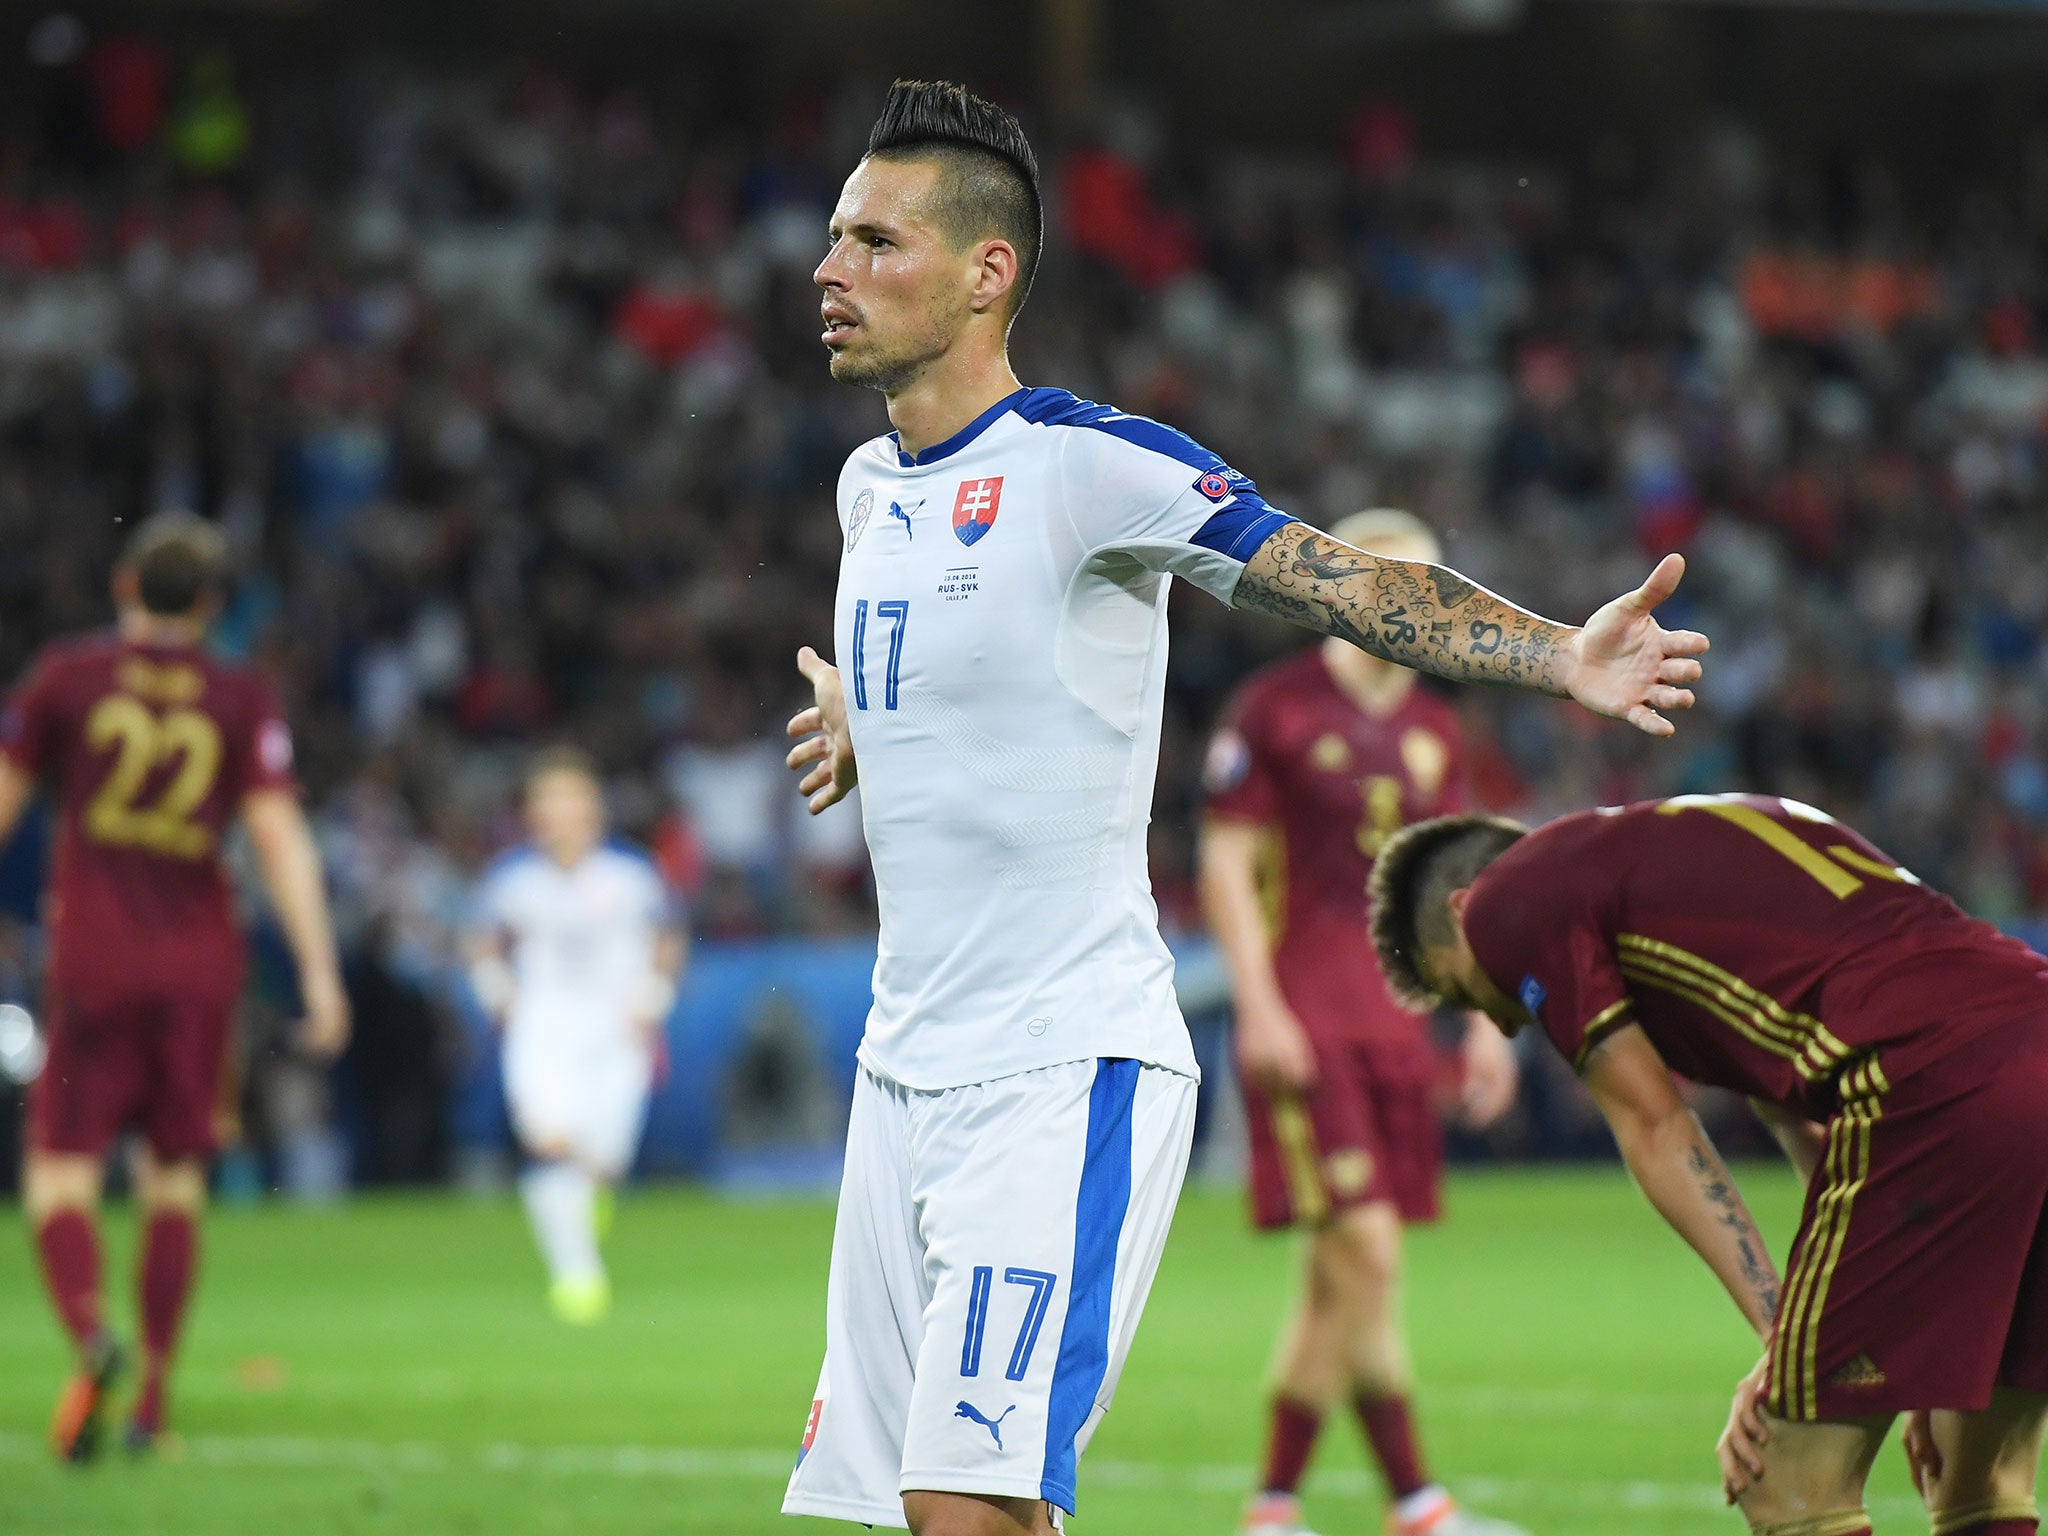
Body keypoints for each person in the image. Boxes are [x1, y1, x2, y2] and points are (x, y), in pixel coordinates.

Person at [781, 79, 1708, 1536]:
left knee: (966, 1504)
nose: (829, 271)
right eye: (835, 237)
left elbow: (1339, 578)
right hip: (900, 1077)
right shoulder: (862, 490)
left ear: (988, 271)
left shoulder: (1091, 466)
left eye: (875, 241)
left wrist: (1553, 656)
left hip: (1057, 1069)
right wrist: (863, 726)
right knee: (956, 1515)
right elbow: (979, 682)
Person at [1365, 794, 2048, 1536]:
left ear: (1467, 906)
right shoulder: (1698, 852)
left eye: (1468, 989)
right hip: (2022, 1024)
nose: (1500, 1021)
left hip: (1936, 1078)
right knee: (1980, 1476)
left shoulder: (1510, 897)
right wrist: (1894, 1338)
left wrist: (1783, 1343)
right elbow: (1807, 1124)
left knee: (1786, 1478)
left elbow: (1656, 1128)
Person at [1201, 508, 1526, 1536]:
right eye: (1394, 583)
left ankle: (1356, 1507)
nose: (1417, 604)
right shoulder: (1273, 712)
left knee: (1346, 1280)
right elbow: (1220, 864)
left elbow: (1452, 890)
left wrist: (1480, 1019)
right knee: (1367, 1258)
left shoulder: (1433, 729)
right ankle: (1336, 1505)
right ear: (1338, 588)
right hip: (1306, 1022)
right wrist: (1254, 1005)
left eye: (1431, 587)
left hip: (1396, 1030)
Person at [0, 511, 349, 1460]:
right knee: (176, 1176)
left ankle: (90, 1334)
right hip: (200, 961)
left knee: (61, 1171)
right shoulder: (239, 698)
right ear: (211, 603)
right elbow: (277, 838)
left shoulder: (69, 679)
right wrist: (320, 973)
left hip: (94, 957)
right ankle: (153, 1398)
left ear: (123, 586)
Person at [466, 746, 686, 1324]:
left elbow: (668, 936)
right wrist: (495, 989)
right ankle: (578, 1277)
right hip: (542, 1028)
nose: (561, 812)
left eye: (572, 798)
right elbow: (481, 939)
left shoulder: (630, 876)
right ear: (532, 813)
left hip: (615, 1031)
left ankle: (588, 1202)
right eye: (549, 800)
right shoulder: (513, 879)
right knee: (550, 1142)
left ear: (594, 809)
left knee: (603, 1162)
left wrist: (654, 995)